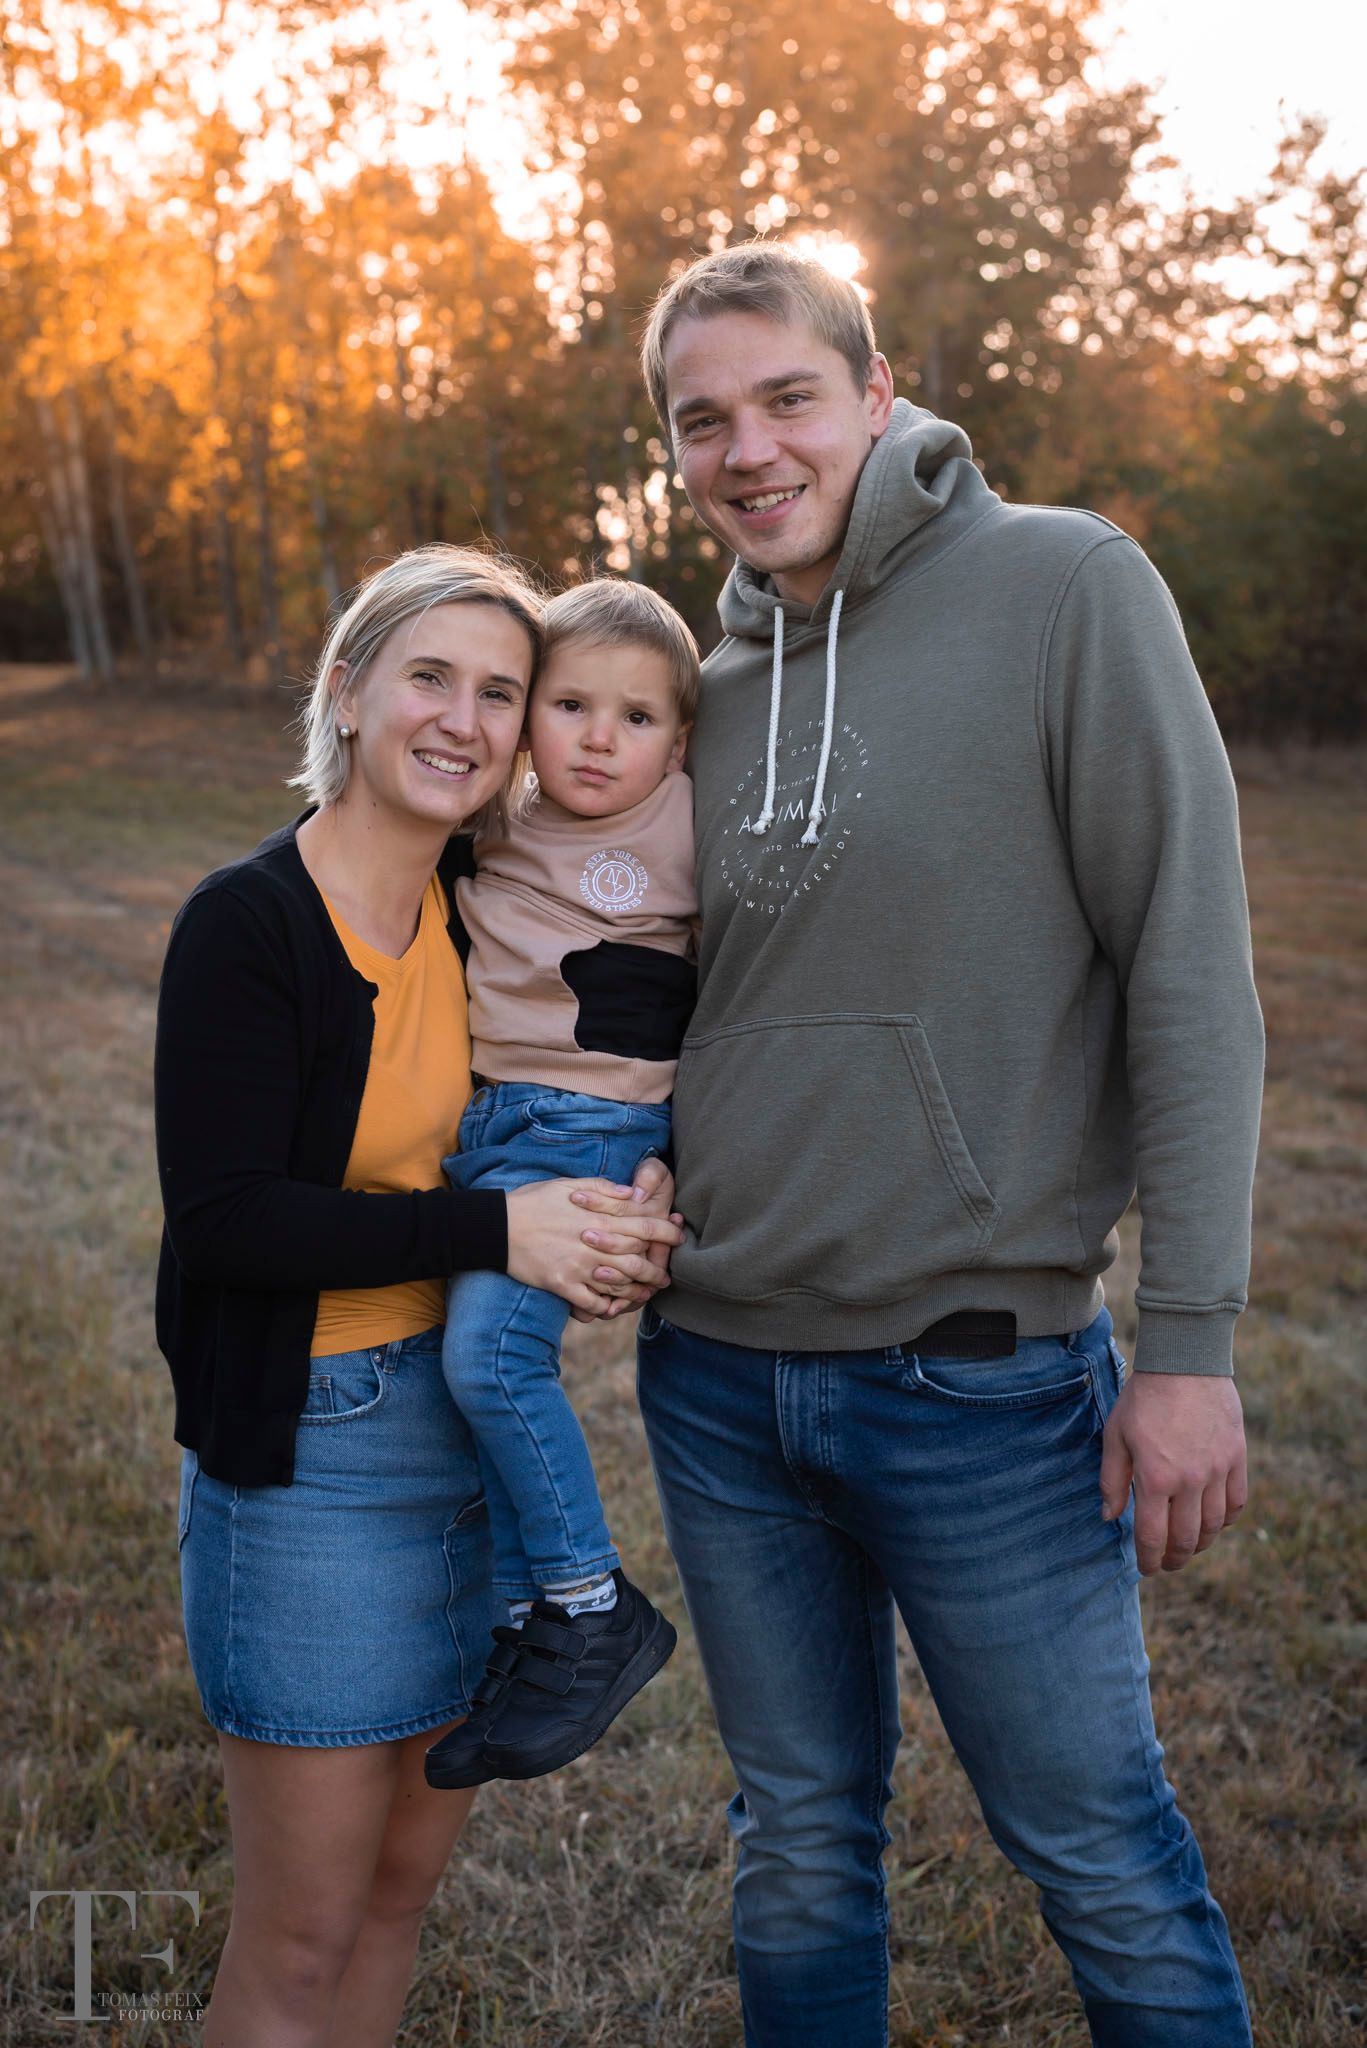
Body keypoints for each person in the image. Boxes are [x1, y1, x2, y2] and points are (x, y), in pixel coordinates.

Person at [632, 241, 1264, 2048]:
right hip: (716, 1377)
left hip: (975, 1379)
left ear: (876, 393)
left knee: (1099, 1855)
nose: (747, 449)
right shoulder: (707, 682)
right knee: (795, 1849)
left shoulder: (1064, 586)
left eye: (785, 398)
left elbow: (1188, 971)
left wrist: (1190, 1346)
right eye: (700, 421)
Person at [154, 545, 680, 2048]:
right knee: (301, 1937)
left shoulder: (485, 907)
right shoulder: (248, 923)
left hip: (470, 1456)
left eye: (500, 692)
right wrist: (499, 1229)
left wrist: (632, 1207)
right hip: (311, 1458)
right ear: (347, 690)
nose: (463, 718)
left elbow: (594, 1080)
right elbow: (227, 1223)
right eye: (429, 677)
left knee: (395, 1901)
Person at [424, 578, 700, 1790]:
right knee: (462, 1386)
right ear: (527, 715)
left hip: (594, 1132)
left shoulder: (692, 822)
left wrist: (680, 1157)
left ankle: (590, 1605)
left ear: (678, 742)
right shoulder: (490, 816)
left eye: (636, 717)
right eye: (571, 705)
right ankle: (513, 1628)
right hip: (492, 1130)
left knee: (490, 1360)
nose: (598, 738)